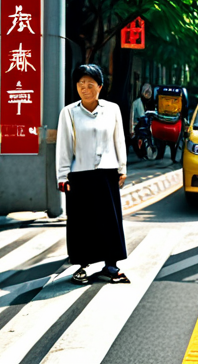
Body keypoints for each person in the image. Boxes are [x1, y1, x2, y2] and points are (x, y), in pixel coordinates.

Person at [56, 64, 131, 285]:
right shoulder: (69, 112)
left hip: (107, 174)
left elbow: (119, 140)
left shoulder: (112, 110)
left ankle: (111, 265)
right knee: (81, 222)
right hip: (79, 175)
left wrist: (122, 168)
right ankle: (81, 266)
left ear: (100, 86)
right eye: (80, 84)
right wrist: (62, 177)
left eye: (90, 84)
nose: (85, 88)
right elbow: (64, 147)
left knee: (110, 220)